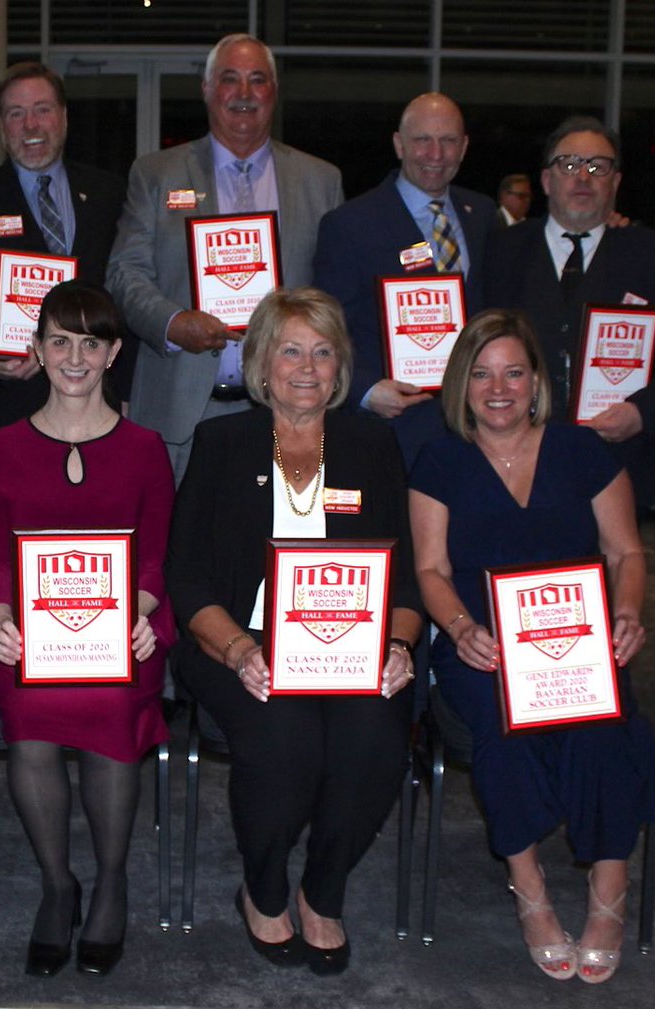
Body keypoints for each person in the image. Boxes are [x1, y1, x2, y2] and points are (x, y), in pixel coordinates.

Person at [167, 287, 422, 975]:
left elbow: (406, 575)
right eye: (290, 349)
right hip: (238, 641)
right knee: (283, 735)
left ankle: (324, 887)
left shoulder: (372, 444)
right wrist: (242, 650)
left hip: (353, 644)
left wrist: (397, 646)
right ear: (259, 361)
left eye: (323, 350)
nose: (307, 366)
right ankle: (267, 883)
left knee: (374, 736)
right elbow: (184, 577)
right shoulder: (222, 442)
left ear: (340, 366)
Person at [408, 308, 655, 984]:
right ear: (461, 383)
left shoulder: (582, 451)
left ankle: (610, 888)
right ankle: (531, 889)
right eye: (484, 374)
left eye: (514, 372)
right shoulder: (440, 460)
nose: (500, 388)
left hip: (578, 643)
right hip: (481, 646)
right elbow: (429, 570)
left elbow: (626, 550)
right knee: (504, 725)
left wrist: (629, 609)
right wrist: (460, 627)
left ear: (535, 380)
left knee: (603, 720)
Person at [0, 280, 175, 977]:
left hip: (119, 634)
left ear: (113, 352)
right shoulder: (1, 445)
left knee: (113, 698)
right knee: (32, 705)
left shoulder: (146, 447)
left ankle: (110, 880)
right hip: (29, 633)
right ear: (37, 349)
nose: (74, 357)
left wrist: (141, 613)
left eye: (90, 342)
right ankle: (58, 884)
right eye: (59, 340)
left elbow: (156, 556)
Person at [107, 34, 343, 482]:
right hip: (180, 408)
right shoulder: (156, 174)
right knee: (177, 548)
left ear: (274, 91)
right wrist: (174, 324)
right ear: (207, 89)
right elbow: (124, 273)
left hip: (287, 407)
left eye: (258, 80)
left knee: (272, 545)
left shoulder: (321, 180)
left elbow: (331, 295)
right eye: (230, 80)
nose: (244, 94)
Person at [486, 115, 655, 511]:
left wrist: (642, 413)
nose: (582, 177)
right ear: (547, 180)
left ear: (615, 182)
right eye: (569, 164)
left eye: (597, 166)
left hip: (620, 462)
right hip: (513, 461)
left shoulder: (654, 256)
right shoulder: (500, 250)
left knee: (618, 571)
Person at [0, 62, 127, 469]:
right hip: (8, 407)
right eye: (16, 113)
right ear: (1, 125)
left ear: (64, 116)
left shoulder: (109, 194)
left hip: (98, 405)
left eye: (43, 109)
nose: (31, 124)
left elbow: (123, 293)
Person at [313, 92, 495, 467]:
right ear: (399, 144)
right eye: (422, 140)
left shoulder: (483, 214)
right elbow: (327, 328)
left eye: (447, 141)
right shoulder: (349, 224)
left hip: (474, 426)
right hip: (390, 427)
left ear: (463, 148)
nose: (435, 154)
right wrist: (364, 390)